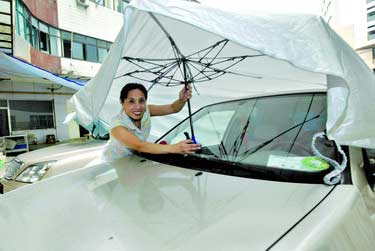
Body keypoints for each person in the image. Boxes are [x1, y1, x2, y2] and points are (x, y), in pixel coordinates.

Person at [102, 83, 201, 161]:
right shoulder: (117, 126)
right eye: (131, 101)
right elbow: (140, 145)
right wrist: (176, 148)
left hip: (137, 160)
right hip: (115, 164)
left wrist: (182, 100)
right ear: (122, 102)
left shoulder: (146, 111)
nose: (138, 107)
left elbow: (173, 108)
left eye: (141, 101)